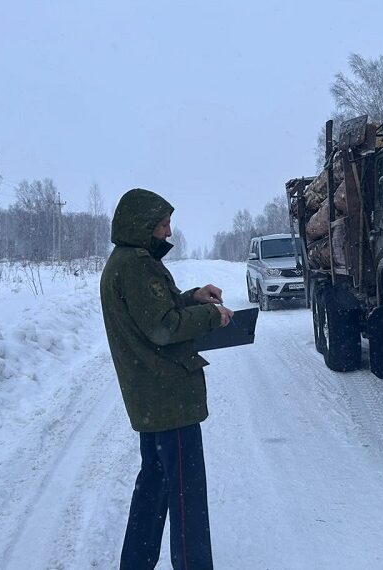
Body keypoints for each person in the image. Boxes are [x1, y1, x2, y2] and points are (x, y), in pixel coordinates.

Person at [100, 188, 233, 570]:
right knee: (187, 498)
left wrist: (193, 297)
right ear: (143, 226)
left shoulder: (126, 262)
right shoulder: (137, 265)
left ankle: (136, 562)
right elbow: (162, 326)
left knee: (154, 488)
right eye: (162, 224)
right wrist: (213, 317)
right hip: (169, 397)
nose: (168, 231)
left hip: (153, 395)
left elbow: (158, 307)